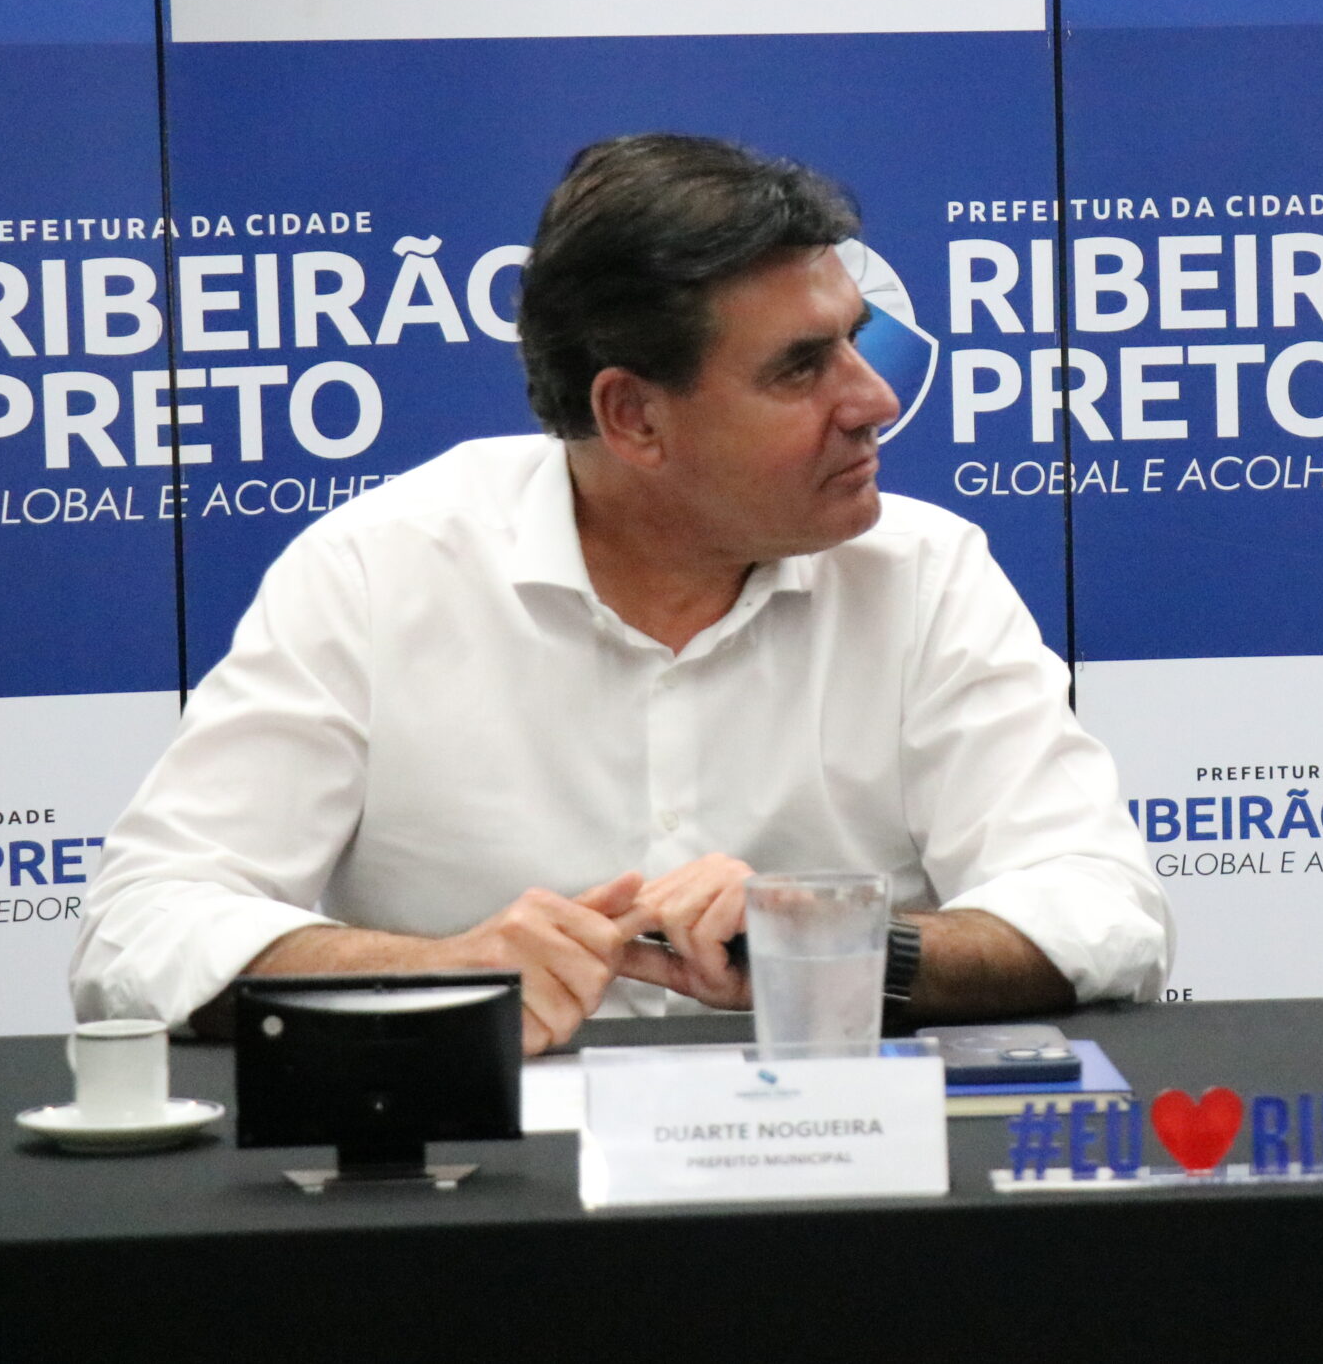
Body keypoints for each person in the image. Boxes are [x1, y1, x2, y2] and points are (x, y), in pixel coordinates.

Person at [72, 134, 1171, 1051]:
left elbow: (1100, 909)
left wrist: (841, 943)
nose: (874, 397)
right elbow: (142, 930)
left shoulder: (923, 572)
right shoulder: (382, 568)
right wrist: (443, 976)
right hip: (484, 1209)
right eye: (801, 367)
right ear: (634, 416)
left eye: (857, 342)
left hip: (844, 1189)